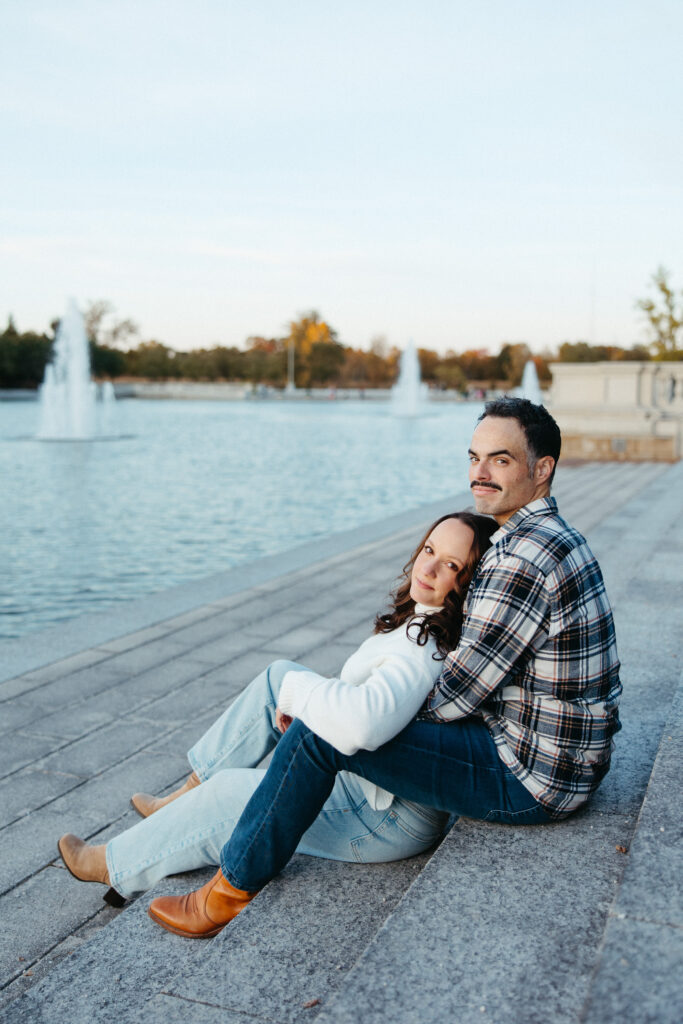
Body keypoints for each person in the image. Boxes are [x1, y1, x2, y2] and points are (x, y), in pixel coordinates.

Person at [145, 397, 622, 940]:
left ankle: (226, 894)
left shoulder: (522, 558)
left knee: (319, 736)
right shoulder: (550, 536)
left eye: (501, 460)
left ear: (542, 469)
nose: (480, 473)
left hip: (530, 778)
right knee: (336, 719)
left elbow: (454, 698)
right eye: (474, 458)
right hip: (559, 758)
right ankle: (212, 811)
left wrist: (342, 712)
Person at [58, 510, 496, 909]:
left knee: (231, 792)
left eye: (451, 565)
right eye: (429, 550)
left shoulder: (425, 648)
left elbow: (365, 724)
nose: (429, 568)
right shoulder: (423, 617)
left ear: (469, 583)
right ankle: (185, 794)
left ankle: (111, 865)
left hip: (382, 817)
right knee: (278, 676)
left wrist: (301, 698)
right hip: (374, 785)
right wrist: (304, 708)